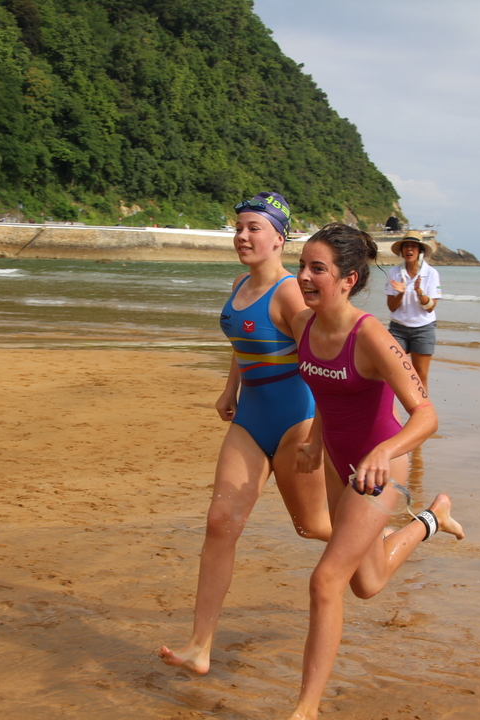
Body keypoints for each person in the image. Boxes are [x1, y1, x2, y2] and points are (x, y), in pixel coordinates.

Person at [286, 223, 464, 720]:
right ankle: (432, 520)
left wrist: (385, 451)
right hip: (337, 462)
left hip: (380, 469)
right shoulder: (303, 324)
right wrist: (314, 441)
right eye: (302, 266)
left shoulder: (373, 337)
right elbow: (325, 390)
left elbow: (426, 416)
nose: (304, 277)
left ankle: (305, 711)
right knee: (367, 583)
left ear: (348, 279)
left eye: (317, 269)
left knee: (326, 581)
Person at [160, 192, 332, 674]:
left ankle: (399, 529)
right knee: (220, 522)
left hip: (296, 421)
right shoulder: (240, 283)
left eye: (254, 228)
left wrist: (319, 436)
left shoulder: (290, 293)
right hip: (250, 418)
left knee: (314, 527)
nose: (242, 236)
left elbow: (323, 359)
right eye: (238, 227)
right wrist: (229, 388)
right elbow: (244, 341)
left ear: (279, 239)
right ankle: (199, 647)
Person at [385, 230, 441, 391]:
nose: (409, 249)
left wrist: (418, 291)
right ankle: (391, 407)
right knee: (393, 372)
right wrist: (401, 293)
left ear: (420, 250)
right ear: (401, 251)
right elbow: (391, 306)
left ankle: (423, 407)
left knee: (420, 376)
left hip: (423, 329)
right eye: (406, 246)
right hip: (398, 328)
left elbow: (430, 307)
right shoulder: (394, 272)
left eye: (413, 246)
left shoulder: (430, 273)